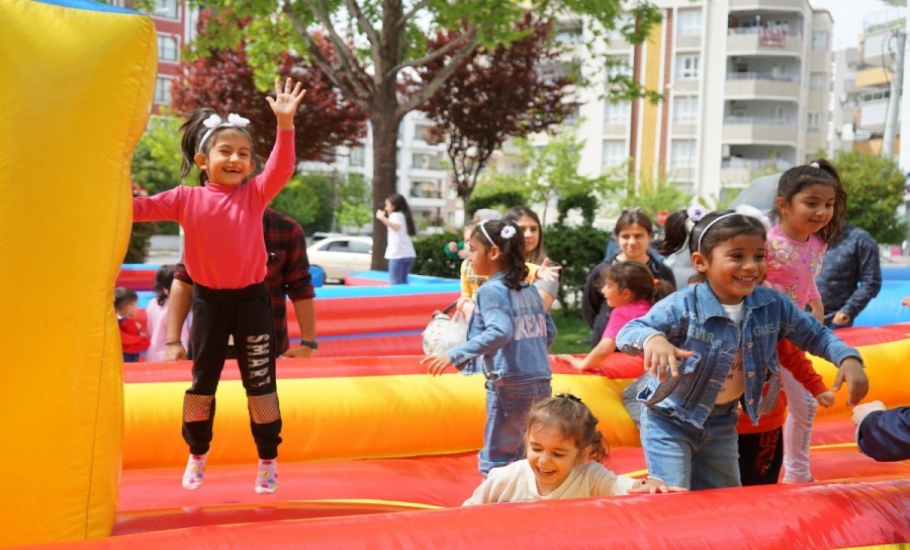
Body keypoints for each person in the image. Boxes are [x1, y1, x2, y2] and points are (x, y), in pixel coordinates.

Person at [132, 77, 306, 494]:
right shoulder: (184, 199)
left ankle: (267, 459)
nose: (236, 159)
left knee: (260, 384)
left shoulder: (255, 194)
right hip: (208, 304)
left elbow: (282, 167)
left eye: (244, 154)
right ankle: (196, 454)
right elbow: (135, 210)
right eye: (225, 152)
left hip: (251, 304)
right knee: (201, 383)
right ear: (202, 160)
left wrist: (285, 124)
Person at [615, 206, 868, 491]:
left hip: (721, 421)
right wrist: (653, 339)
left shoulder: (772, 305)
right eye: (737, 256)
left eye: (758, 256)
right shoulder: (683, 306)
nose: (751, 266)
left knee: (725, 499)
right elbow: (629, 332)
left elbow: (815, 335)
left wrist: (847, 358)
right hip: (670, 419)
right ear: (701, 262)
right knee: (674, 496)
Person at [422, 219, 556, 477]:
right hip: (540, 379)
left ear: (493, 253)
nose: (468, 258)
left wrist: (454, 353)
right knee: (527, 447)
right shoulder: (528, 289)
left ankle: (490, 507)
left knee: (496, 455)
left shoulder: (491, 290)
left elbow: (500, 331)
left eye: (472, 250)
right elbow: (549, 330)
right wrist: (530, 353)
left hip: (510, 383)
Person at [765, 159, 847, 484]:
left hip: (792, 336)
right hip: (763, 335)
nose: (821, 212)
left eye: (828, 204)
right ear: (784, 205)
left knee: (806, 405)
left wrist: (815, 300)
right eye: (811, 204)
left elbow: (805, 274)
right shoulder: (768, 245)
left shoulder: (817, 241)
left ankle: (797, 473)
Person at [463, 394, 681, 504]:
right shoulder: (505, 479)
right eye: (536, 448)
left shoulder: (591, 478)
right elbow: (467, 515)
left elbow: (621, 485)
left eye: (558, 453)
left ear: (582, 454)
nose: (544, 461)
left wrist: (646, 485)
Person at [165, 207, 318, 361]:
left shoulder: (285, 229)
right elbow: (184, 281)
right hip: (209, 345)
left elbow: (300, 286)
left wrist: (308, 343)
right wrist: (173, 342)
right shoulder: (206, 225)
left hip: (266, 348)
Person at [737, 340, 835, 486]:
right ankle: (798, 473)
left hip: (761, 424)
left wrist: (816, 385)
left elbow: (792, 354)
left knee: (758, 487)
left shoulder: (772, 323)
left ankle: (798, 474)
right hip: (721, 423)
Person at [583, 208, 676, 348]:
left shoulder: (662, 272)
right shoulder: (602, 271)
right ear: (617, 238)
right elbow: (590, 309)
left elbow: (671, 311)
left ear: (650, 236)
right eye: (625, 236)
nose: (631, 242)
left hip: (646, 351)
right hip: (605, 349)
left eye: (638, 236)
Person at [556, 262, 672, 371]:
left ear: (626, 293)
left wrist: (581, 364)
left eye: (609, 286)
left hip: (649, 370)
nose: (603, 290)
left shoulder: (622, 312)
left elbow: (604, 349)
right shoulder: (652, 306)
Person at [816, 224, 882, 328]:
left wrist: (847, 312)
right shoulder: (804, 237)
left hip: (832, 321)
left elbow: (871, 282)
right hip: (799, 319)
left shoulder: (859, 239)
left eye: (828, 206)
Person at [503, 206, 560, 311]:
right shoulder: (494, 263)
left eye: (533, 229)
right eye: (522, 229)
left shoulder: (547, 269)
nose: (529, 234)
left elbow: (535, 310)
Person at [145, 264, 190, 362]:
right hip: (171, 355)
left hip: (152, 353)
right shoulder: (177, 305)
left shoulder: (153, 303)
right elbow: (181, 333)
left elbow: (149, 329)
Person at [376, 193, 417, 285]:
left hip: (398, 254)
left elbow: (396, 227)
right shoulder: (404, 216)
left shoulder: (395, 215)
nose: (386, 208)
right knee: (403, 282)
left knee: (395, 282)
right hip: (408, 253)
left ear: (393, 206)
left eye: (387, 205)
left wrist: (382, 218)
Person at [115, 287, 149, 363]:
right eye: (137, 305)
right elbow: (127, 341)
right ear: (129, 308)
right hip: (128, 356)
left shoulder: (116, 321)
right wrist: (144, 340)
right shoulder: (129, 323)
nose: (138, 308)